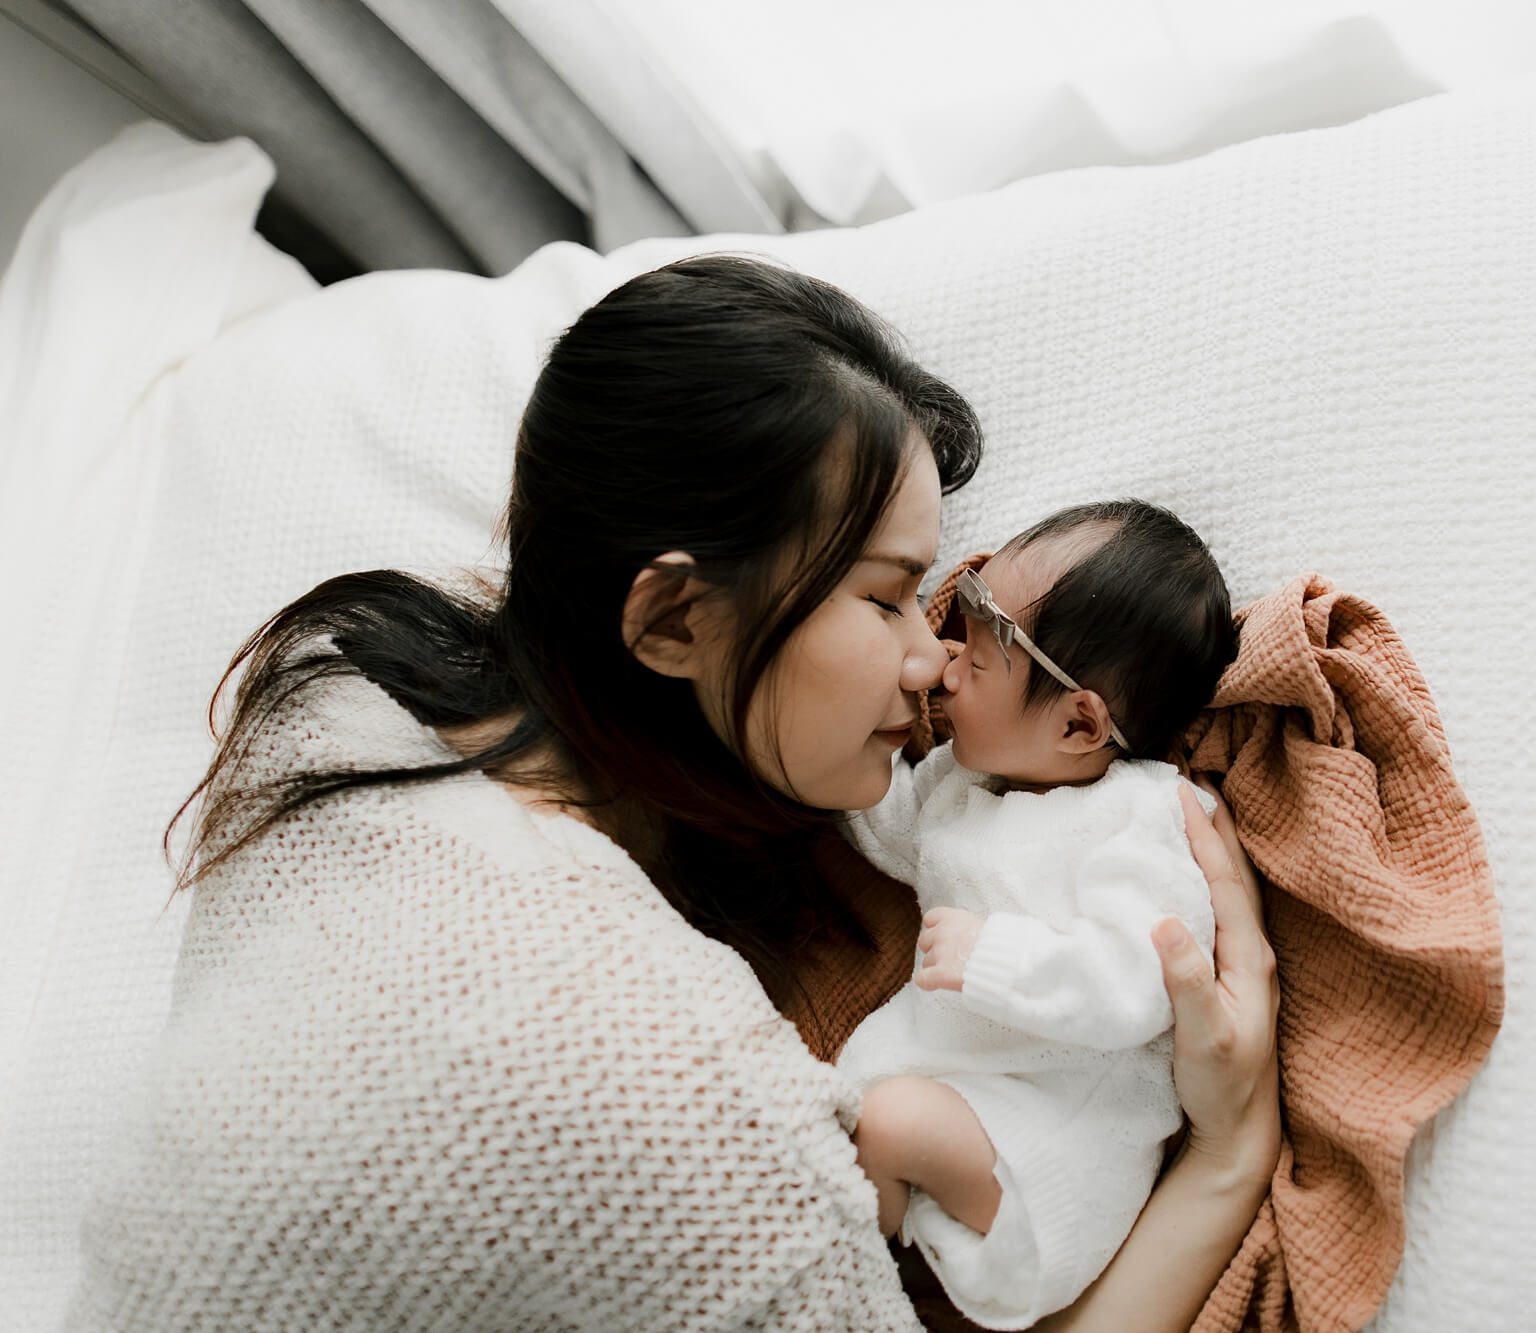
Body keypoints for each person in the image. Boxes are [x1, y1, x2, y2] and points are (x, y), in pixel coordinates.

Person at [64, 253, 1281, 1333]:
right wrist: (1231, 1151)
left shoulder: (336, 689)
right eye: (885, 597)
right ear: (671, 620)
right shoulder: (688, 1107)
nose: (929, 659)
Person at [837, 499, 1241, 1330]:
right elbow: (889, 822)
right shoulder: (961, 779)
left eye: (979, 659)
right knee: (851, 1115)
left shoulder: (1140, 818)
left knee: (883, 1121)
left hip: (1056, 1147)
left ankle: (848, 1292)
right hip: (967, 1100)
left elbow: (1139, 980)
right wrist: (833, 750)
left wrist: (996, 956)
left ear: (1079, 721)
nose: (947, 666)